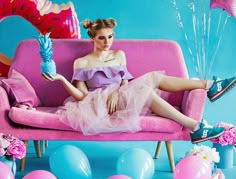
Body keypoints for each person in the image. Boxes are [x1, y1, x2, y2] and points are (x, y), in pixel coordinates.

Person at [42, 18, 236, 143]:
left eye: (110, 37)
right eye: (101, 38)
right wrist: (60, 79)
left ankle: (207, 92)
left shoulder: (119, 55)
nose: (107, 42)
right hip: (99, 104)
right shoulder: (82, 62)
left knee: (153, 79)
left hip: (120, 95)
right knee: (148, 87)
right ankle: (201, 110)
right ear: (92, 38)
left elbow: (125, 82)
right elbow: (81, 96)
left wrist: (117, 92)